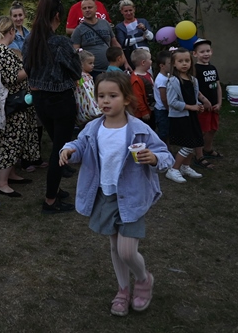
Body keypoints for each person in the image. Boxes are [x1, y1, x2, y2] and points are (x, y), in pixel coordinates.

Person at [59, 71, 173, 317]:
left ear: (127, 99)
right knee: (115, 247)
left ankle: (143, 279)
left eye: (113, 96)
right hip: (105, 195)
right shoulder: (93, 127)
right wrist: (68, 150)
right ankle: (123, 290)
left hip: (132, 197)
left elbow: (166, 156)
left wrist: (154, 158)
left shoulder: (140, 129)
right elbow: (80, 146)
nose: (105, 101)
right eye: (101, 96)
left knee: (127, 251)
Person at [24, 0, 82, 213]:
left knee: (57, 145)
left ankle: (55, 189)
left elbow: (27, 69)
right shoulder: (60, 42)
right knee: (60, 150)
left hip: (40, 100)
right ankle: (50, 200)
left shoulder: (30, 40)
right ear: (57, 15)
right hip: (60, 100)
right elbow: (76, 71)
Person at [0, 16, 39, 195]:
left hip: (3, 103)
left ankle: (10, 174)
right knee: (10, 141)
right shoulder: (2, 51)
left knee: (10, 140)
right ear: (11, 31)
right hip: (12, 105)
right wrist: (30, 66)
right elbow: (13, 78)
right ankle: (2, 183)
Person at [164, 49, 211, 184]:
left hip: (191, 116)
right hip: (180, 118)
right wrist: (191, 107)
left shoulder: (193, 80)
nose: (184, 63)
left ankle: (185, 167)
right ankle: (173, 169)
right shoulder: (173, 81)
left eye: (187, 60)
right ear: (174, 64)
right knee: (188, 144)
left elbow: (193, 98)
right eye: (180, 61)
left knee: (194, 142)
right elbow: (172, 102)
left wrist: (198, 105)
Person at [71, 0, 120, 79]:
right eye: (84, 8)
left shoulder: (105, 24)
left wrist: (125, 63)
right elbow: (75, 53)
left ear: (96, 8)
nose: (87, 10)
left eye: (90, 7)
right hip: (92, 72)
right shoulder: (78, 30)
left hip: (110, 69)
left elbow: (115, 44)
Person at [193, 39, 224, 160]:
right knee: (202, 130)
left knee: (212, 129)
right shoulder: (195, 69)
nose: (206, 54)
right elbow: (194, 88)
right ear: (195, 54)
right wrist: (204, 101)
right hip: (202, 107)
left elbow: (218, 86)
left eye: (208, 51)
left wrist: (219, 102)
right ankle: (199, 155)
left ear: (211, 51)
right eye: (202, 52)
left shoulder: (213, 68)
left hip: (214, 106)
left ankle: (208, 149)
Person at [114, 0, 154, 71]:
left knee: (148, 72)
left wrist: (144, 29)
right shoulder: (120, 27)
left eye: (130, 10)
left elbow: (151, 37)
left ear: (134, 9)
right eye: (126, 11)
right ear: (122, 12)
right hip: (131, 55)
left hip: (145, 53)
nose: (129, 13)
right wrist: (141, 38)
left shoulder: (142, 21)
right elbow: (124, 42)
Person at [152, 51, 173, 148]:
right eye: (170, 63)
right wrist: (169, 109)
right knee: (163, 132)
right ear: (162, 66)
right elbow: (163, 98)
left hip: (165, 109)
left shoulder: (167, 76)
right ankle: (162, 148)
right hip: (162, 110)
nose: (172, 65)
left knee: (168, 130)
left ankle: (167, 147)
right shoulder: (161, 79)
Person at [130, 49, 154, 124]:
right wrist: (144, 112)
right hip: (143, 114)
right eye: (150, 59)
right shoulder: (135, 79)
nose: (151, 61)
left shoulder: (147, 74)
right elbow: (138, 98)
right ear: (143, 62)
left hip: (151, 108)